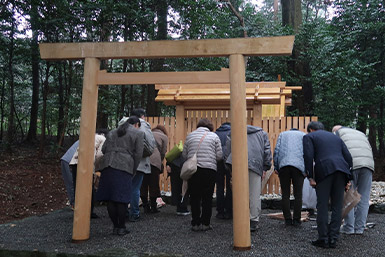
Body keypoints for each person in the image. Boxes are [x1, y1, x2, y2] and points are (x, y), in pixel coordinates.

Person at [303, 121, 352, 249]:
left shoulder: (309, 137)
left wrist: (310, 176)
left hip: (324, 170)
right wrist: (348, 178)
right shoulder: (336, 137)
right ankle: (333, 239)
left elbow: (308, 156)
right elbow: (348, 157)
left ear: (311, 130)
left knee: (323, 205)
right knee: (337, 206)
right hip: (341, 171)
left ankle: (323, 239)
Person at [96, 117, 144, 235]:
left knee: (111, 198)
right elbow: (138, 154)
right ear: (136, 124)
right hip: (124, 166)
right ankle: (122, 227)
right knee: (121, 199)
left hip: (108, 165)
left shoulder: (112, 132)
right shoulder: (138, 133)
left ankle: (115, 226)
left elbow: (103, 149)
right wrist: (133, 168)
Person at [226, 125, 272, 232]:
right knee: (254, 193)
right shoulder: (262, 133)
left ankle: (240, 219)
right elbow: (267, 151)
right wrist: (265, 167)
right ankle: (253, 220)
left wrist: (229, 166)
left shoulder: (233, 132)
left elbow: (228, 150)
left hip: (237, 164)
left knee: (239, 193)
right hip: (255, 164)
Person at [333, 125, 374, 235]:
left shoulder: (339, 134)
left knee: (349, 195)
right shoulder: (360, 133)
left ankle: (349, 228)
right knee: (364, 198)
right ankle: (359, 228)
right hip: (368, 165)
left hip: (352, 165)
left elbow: (337, 151)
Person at [182, 118, 222, 231]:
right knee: (207, 198)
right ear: (210, 127)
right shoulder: (214, 137)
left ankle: (195, 223)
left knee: (194, 197)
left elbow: (184, 155)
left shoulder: (190, 136)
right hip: (209, 170)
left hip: (193, 170)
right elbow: (219, 155)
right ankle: (205, 223)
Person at [69, 130, 107, 218]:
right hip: (87, 164)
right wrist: (97, 168)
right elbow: (99, 155)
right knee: (90, 189)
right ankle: (89, 212)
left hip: (75, 162)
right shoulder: (103, 138)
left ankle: (79, 211)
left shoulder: (90, 136)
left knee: (77, 188)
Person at [127, 108, 155, 222]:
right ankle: (134, 212)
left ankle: (123, 211)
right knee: (135, 188)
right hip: (139, 161)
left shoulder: (123, 125)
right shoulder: (143, 126)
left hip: (124, 161)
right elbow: (150, 145)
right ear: (142, 117)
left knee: (125, 186)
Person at [273, 128, 306, 226]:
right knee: (298, 194)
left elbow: (277, 150)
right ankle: (296, 220)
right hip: (299, 167)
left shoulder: (282, 134)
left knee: (285, 194)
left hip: (284, 165)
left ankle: (287, 219)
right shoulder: (303, 135)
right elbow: (307, 151)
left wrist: (276, 166)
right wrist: (306, 169)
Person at [141, 125, 168, 213]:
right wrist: (160, 161)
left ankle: (145, 206)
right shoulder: (164, 136)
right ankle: (153, 206)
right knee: (154, 184)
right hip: (155, 160)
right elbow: (163, 152)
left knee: (143, 184)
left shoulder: (148, 133)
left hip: (143, 159)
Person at [214, 122, 232, 220]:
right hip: (230, 162)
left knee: (220, 186)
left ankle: (220, 211)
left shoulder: (216, 133)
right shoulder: (232, 132)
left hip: (218, 162)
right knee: (230, 186)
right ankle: (229, 211)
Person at [60, 140, 79, 207]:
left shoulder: (86, 138)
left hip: (67, 160)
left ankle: (74, 203)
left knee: (71, 183)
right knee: (71, 183)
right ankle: (74, 204)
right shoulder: (89, 140)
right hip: (69, 161)